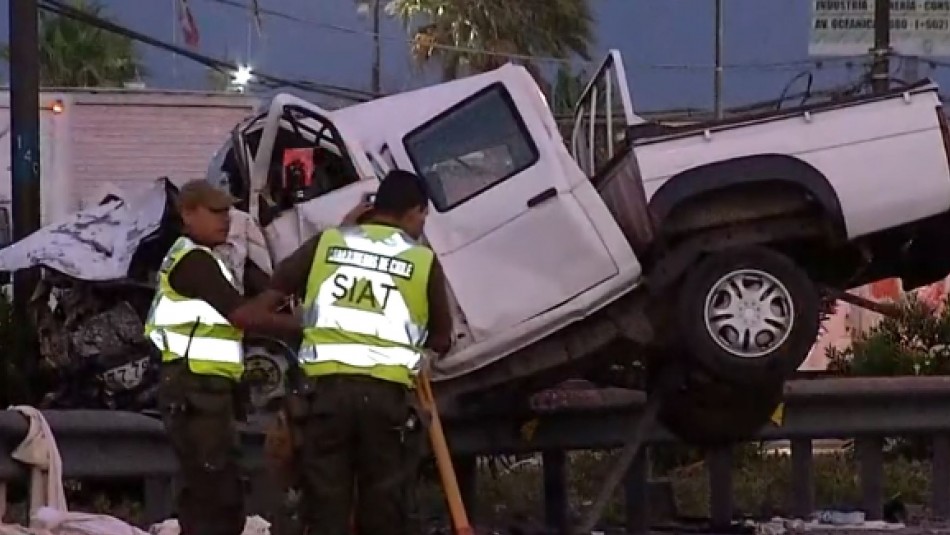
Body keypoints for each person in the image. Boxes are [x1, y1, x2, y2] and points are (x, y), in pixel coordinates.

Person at [144, 180, 369, 535]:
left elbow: (268, 294)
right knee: (213, 496)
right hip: (193, 390)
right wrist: (306, 325)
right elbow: (244, 316)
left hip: (206, 391)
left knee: (217, 492)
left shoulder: (212, 260)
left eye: (228, 212)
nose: (227, 220)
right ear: (187, 213)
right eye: (215, 212)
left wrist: (336, 235)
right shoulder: (193, 261)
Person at [243, 169, 453, 535]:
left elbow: (256, 313)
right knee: (384, 511)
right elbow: (442, 338)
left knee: (325, 510)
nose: (422, 224)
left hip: (325, 399)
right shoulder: (422, 262)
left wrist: (309, 325)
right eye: (423, 216)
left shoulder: (327, 244)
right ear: (413, 211)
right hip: (386, 404)